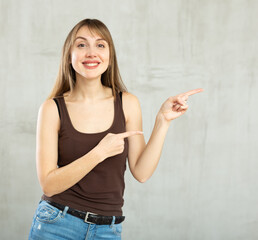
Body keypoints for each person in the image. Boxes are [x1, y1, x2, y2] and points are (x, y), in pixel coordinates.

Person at [28, 18, 203, 240]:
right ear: (69, 55)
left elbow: (141, 172)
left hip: (107, 230)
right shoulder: (52, 108)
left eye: (100, 45)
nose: (91, 52)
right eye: (81, 45)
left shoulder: (127, 103)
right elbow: (49, 185)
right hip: (57, 224)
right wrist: (99, 152)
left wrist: (162, 121)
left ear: (109, 57)